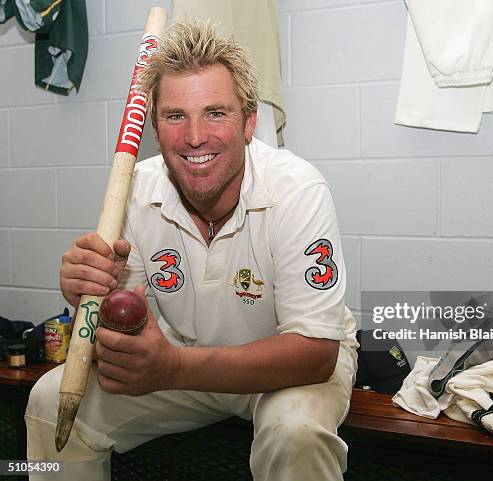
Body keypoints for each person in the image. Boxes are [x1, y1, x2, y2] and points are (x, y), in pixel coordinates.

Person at [25, 19, 357, 481]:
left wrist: (174, 367)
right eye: (175, 116)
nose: (195, 136)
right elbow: (127, 328)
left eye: (216, 113)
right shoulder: (137, 188)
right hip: (186, 359)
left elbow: (315, 354)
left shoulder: (298, 189)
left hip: (286, 369)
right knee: (48, 399)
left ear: (249, 121)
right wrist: (92, 296)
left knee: (296, 431)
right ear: (155, 129)